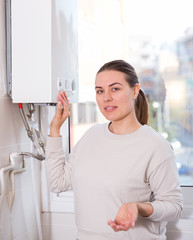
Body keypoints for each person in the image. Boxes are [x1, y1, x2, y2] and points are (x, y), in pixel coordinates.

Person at [45, 60, 183, 240]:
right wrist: (55, 130)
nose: (106, 97)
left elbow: (175, 207)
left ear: (134, 90)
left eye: (115, 89)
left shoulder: (155, 145)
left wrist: (139, 207)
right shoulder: (91, 136)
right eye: (100, 91)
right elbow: (58, 182)